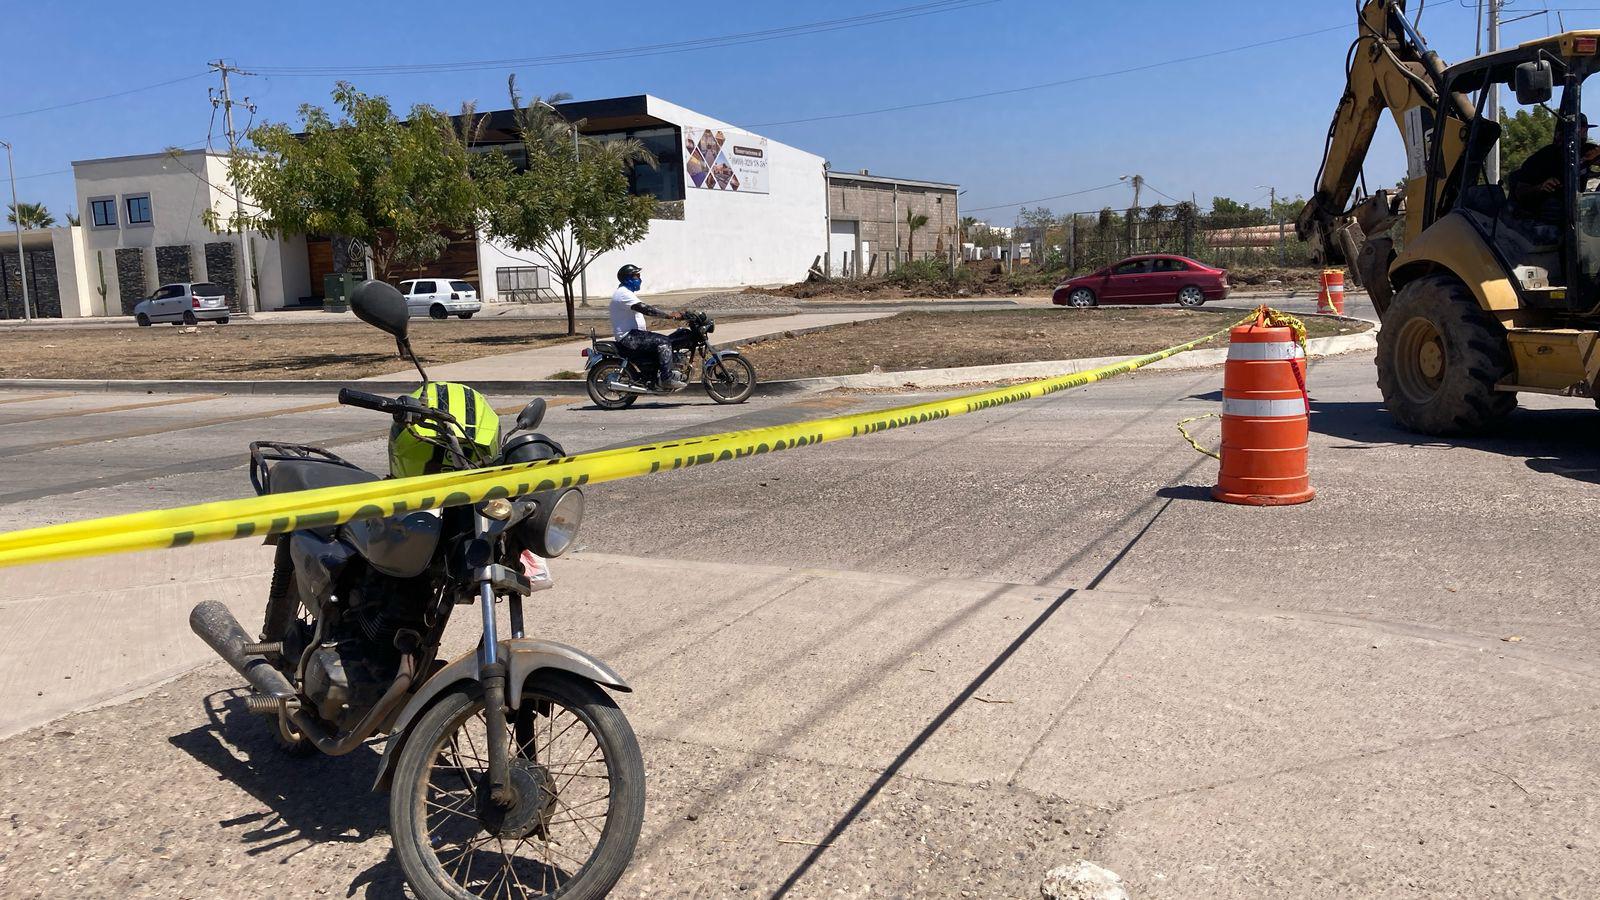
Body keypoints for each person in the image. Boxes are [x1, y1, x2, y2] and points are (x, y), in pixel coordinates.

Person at [609, 264, 686, 390]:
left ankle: (658, 375)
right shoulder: (623, 294)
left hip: (635, 334)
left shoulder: (626, 293)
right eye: (636, 276)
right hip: (629, 337)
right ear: (628, 278)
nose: (640, 279)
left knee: (671, 338)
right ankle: (667, 378)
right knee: (664, 341)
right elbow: (645, 309)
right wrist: (669, 316)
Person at [1507, 120, 1600, 222]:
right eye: (1579, 131)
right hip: (1542, 215)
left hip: (1574, 210)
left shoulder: (1586, 151)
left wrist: (1595, 154)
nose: (1582, 136)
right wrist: (1540, 187)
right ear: (1560, 134)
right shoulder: (1543, 158)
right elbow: (1520, 192)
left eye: (1584, 132)